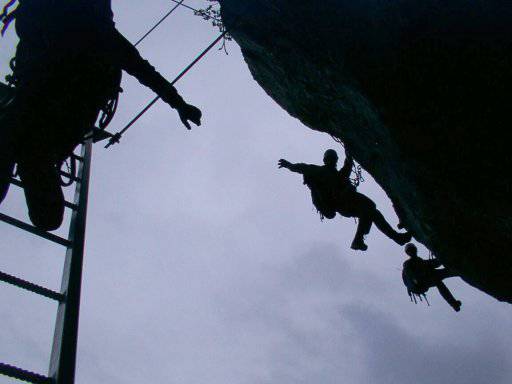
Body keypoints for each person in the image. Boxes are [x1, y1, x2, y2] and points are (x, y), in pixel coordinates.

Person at [0, 0, 202, 231]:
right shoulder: (81, 28)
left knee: (32, 171)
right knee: (24, 155)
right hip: (46, 114)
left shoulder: (87, 29)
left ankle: (36, 166)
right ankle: (36, 165)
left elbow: (143, 70)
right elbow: (143, 70)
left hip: (54, 116)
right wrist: (179, 104)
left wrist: (179, 104)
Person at [278, 149, 411, 250]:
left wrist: (349, 151)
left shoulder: (337, 174)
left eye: (333, 159)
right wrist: (288, 165)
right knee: (369, 209)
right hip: (342, 204)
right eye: (331, 159)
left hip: (346, 202)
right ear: (326, 160)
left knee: (372, 211)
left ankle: (395, 237)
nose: (332, 161)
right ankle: (360, 240)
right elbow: (302, 167)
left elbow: (347, 166)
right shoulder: (320, 171)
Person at [402, 243, 461, 312]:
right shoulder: (408, 264)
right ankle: (453, 303)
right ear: (408, 253)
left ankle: (460, 270)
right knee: (438, 281)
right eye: (411, 250)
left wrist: (442, 256)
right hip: (420, 283)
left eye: (413, 250)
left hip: (426, 279)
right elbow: (411, 274)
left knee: (445, 273)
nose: (412, 251)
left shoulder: (421, 261)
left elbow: (435, 263)